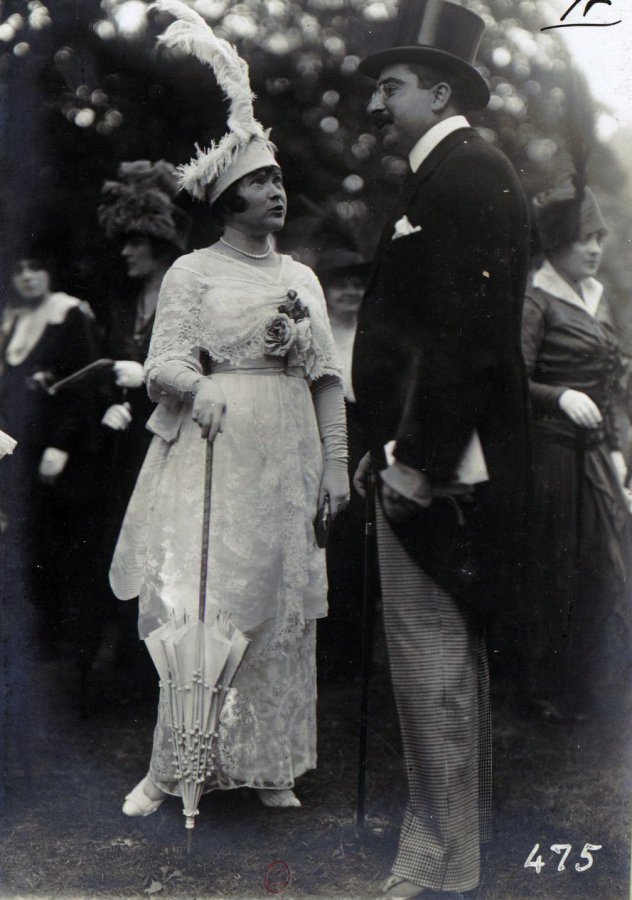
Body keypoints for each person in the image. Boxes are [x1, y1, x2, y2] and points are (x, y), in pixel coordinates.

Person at [109, 1, 348, 816]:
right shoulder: (191, 274)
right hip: (213, 450)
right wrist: (199, 385)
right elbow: (160, 367)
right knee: (208, 602)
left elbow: (325, 377)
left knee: (281, 603)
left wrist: (337, 465)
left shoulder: (303, 279)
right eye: (259, 182)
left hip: (289, 452)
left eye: (278, 180)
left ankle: (271, 762)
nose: (276, 193)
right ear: (227, 198)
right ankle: (175, 767)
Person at [351, 0, 531, 896]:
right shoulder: (440, 177)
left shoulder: (468, 175)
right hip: (418, 457)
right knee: (436, 668)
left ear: (438, 89)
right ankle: (448, 852)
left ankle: (443, 861)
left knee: (436, 668)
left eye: (389, 87)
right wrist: (376, 442)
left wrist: (416, 459)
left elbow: (469, 338)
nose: (376, 106)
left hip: (446, 471)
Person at [522, 178, 632, 722]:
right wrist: (558, 394)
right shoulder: (535, 299)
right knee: (557, 566)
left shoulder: (596, 296)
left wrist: (615, 450)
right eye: (583, 238)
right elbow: (509, 381)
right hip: (550, 454)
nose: (594, 248)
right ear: (556, 244)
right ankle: (548, 690)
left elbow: (611, 384)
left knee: (607, 564)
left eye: (599, 237)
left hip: (593, 452)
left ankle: (593, 686)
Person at [79, 161, 190, 682]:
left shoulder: (185, 293)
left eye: (135, 241)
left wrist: (145, 376)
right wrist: (114, 397)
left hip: (176, 442)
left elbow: (199, 369)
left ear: (159, 240)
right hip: (128, 446)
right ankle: (123, 662)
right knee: (122, 542)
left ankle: (155, 669)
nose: (125, 251)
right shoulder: (126, 302)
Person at [0, 251, 100, 652]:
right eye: (19, 271)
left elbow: (88, 380)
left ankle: (63, 638)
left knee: (58, 537)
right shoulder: (15, 321)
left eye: (35, 268)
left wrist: (62, 443)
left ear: (49, 272)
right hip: (21, 446)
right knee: (26, 534)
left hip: (60, 445)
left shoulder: (69, 314)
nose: (27, 278)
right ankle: (34, 633)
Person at [316, 247, 369, 681]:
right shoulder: (320, 334)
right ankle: (326, 643)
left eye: (357, 284)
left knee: (359, 540)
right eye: (341, 285)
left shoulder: (371, 332)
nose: (350, 292)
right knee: (326, 534)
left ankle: (357, 649)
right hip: (325, 434)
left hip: (366, 432)